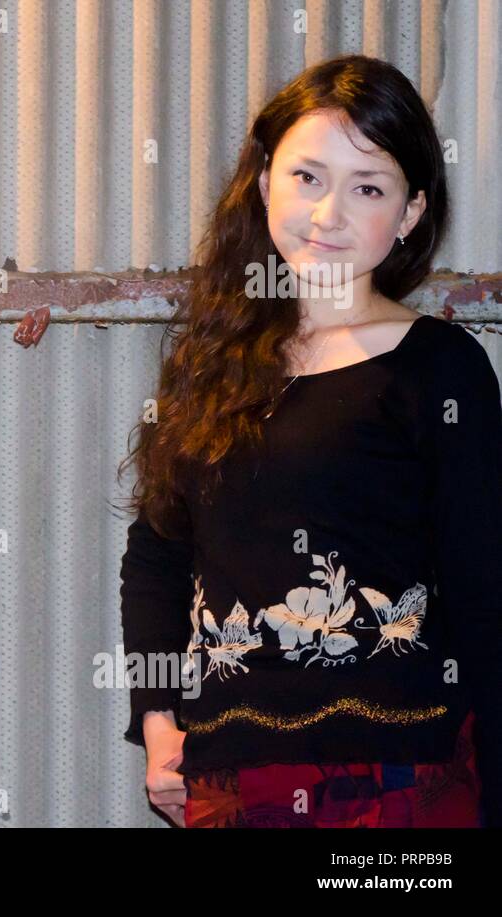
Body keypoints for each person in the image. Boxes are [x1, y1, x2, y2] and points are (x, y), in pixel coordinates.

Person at [115, 54, 501, 828]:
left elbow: (485, 596)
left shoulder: (440, 368)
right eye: (307, 177)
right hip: (228, 779)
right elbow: (157, 554)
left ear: (411, 213)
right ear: (264, 186)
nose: (329, 213)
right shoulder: (210, 362)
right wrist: (160, 724)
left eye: (368, 187)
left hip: (399, 777)